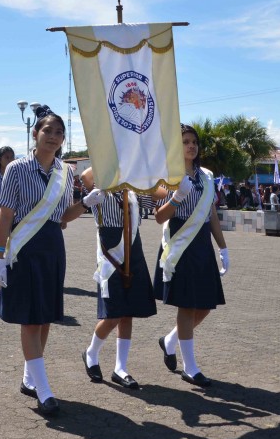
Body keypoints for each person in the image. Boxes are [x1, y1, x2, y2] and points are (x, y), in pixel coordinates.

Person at [0, 106, 86, 416]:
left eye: (59, 133)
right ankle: (44, 390)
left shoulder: (66, 171)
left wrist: (87, 202)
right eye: (48, 131)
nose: (54, 137)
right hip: (24, 248)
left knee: (45, 316)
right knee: (30, 318)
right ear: (35, 134)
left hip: (52, 248)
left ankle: (30, 377)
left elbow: (62, 217)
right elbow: (5, 213)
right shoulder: (16, 169)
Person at [153, 124, 229, 388]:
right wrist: (176, 198)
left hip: (201, 245)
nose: (191, 146)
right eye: (185, 141)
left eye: (194, 141)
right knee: (186, 306)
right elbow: (159, 217)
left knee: (206, 304)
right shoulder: (168, 176)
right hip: (179, 245)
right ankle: (190, 366)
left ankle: (171, 340)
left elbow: (211, 215)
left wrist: (223, 247)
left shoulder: (207, 176)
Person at [79, 167, 157, 390]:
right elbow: (85, 176)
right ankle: (91, 353)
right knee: (113, 313)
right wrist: (113, 152)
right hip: (111, 249)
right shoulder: (99, 189)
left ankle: (120, 368)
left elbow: (153, 197)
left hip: (133, 247)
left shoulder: (131, 192)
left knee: (128, 311)